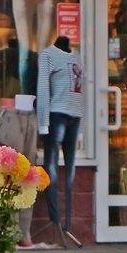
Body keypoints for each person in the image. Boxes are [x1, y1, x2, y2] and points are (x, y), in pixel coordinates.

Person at [36, 35, 83, 242]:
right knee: (52, 168)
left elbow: (80, 90)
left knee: (70, 170)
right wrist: (43, 122)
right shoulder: (47, 55)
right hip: (56, 115)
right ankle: (55, 219)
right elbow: (43, 89)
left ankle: (68, 224)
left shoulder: (78, 57)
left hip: (75, 116)